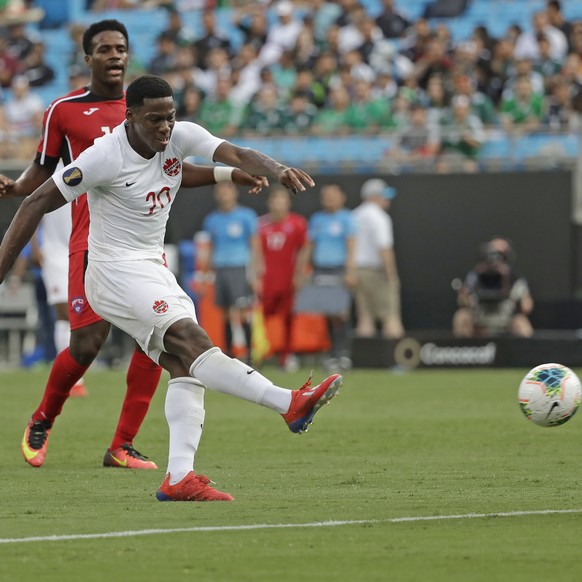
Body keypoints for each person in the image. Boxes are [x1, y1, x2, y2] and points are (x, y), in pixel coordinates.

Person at [0, 73, 342, 502]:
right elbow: (34, 202)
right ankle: (288, 403)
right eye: (154, 120)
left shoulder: (176, 136)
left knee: (184, 365)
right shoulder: (103, 156)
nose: (165, 127)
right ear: (130, 118)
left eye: (170, 117)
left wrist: (272, 169)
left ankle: (179, 477)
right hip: (112, 272)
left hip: (152, 266)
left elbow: (232, 152)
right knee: (191, 340)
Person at [0, 19, 263, 471]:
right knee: (86, 344)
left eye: (121, 47)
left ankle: (122, 444)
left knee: (155, 342)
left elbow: (178, 169)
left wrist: (230, 172)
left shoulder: (151, 106)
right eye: (104, 49)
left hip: (144, 242)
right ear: (88, 58)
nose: (115, 55)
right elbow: (43, 172)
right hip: (90, 239)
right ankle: (43, 418)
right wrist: (17, 188)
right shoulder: (63, 110)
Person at [295, 184, 356, 372]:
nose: (329, 199)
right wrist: (300, 272)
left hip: (339, 269)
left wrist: (351, 270)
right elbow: (309, 246)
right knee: (326, 312)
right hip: (320, 269)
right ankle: (330, 354)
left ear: (341, 197)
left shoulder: (347, 218)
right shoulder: (317, 219)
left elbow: (351, 245)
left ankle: (343, 354)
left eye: (333, 195)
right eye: (326, 196)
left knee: (340, 313)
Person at [202, 182, 258, 363]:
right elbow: (210, 248)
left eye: (227, 189)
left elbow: (255, 245)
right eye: (220, 190)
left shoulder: (246, 216)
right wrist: (204, 276)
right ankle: (228, 354)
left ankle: (249, 355)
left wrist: (256, 273)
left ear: (235, 192)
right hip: (221, 269)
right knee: (225, 314)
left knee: (242, 312)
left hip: (240, 268)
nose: (224, 193)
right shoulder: (212, 219)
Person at [257, 186, 308, 372]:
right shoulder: (260, 225)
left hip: (288, 277)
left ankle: (287, 356)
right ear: (269, 202)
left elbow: (304, 249)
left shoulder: (297, 223)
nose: (278, 203)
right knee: (262, 317)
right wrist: (256, 275)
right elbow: (255, 252)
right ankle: (261, 353)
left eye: (282, 199)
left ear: (288, 202)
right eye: (275, 199)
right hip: (267, 278)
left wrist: (300, 274)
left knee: (288, 318)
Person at [352, 179, 404, 339]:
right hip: (377, 272)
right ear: (373, 196)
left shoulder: (354, 215)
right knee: (390, 315)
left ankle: (365, 360)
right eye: (383, 195)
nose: (387, 199)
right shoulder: (380, 217)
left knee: (365, 316)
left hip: (358, 272)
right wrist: (391, 274)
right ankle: (397, 360)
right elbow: (385, 249)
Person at [452, 237, 534, 338]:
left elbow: (527, 306)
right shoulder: (476, 275)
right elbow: (464, 301)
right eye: (492, 253)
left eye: (499, 255)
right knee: (462, 316)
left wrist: (522, 300)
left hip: (504, 320)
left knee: (522, 323)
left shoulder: (514, 277)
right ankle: (463, 351)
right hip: (480, 319)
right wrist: (464, 296)